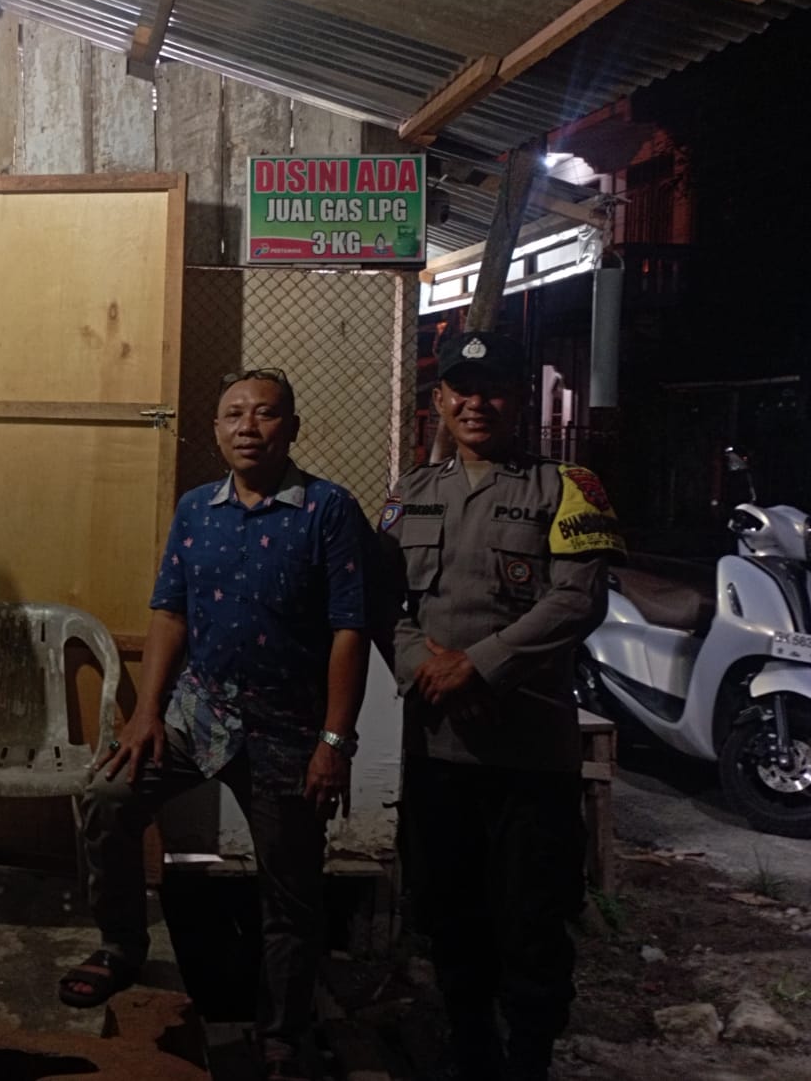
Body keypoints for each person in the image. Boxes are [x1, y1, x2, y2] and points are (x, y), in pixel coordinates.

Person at [62, 368, 370, 1081]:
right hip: (199, 714)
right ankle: (121, 946)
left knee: (290, 886)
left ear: (292, 428)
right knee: (108, 798)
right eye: (233, 414)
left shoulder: (329, 509)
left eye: (265, 414)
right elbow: (169, 612)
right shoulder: (197, 508)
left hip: (287, 729)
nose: (248, 427)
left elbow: (349, 630)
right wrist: (146, 713)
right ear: (215, 429)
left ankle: (281, 1032)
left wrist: (334, 741)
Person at [380, 331, 625, 1081]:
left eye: (492, 390)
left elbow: (577, 600)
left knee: (531, 920)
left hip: (529, 756)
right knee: (448, 914)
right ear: (440, 400)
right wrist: (428, 667)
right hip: (438, 750)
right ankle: (471, 1047)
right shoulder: (409, 494)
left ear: (518, 400)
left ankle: (529, 1059)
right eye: (462, 389)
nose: (476, 403)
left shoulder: (568, 487)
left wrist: (479, 670)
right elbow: (381, 605)